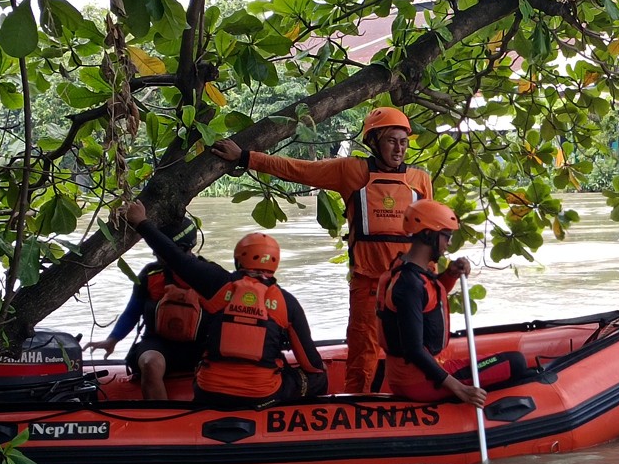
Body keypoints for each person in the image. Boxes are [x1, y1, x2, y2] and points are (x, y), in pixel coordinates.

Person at [210, 106, 432, 393]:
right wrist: (245, 157)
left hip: (410, 282)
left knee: (419, 343)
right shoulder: (351, 171)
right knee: (363, 350)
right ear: (374, 142)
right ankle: (357, 403)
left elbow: (430, 232)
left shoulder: (419, 179)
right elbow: (300, 170)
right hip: (368, 284)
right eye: (391, 141)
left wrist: (435, 277)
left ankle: (417, 396)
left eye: (403, 142)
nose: (399, 149)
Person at [122, 201, 328, 407]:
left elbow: (175, 257)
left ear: (238, 259)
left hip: (209, 392)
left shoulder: (217, 283)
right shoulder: (287, 303)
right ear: (275, 264)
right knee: (318, 378)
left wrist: (141, 222)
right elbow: (311, 364)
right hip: (263, 394)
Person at [377, 200, 528, 407]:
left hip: (407, 375)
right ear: (429, 234)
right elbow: (414, 350)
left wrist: (450, 274)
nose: (448, 243)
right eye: (446, 236)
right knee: (516, 362)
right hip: (419, 380)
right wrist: (460, 388)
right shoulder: (410, 285)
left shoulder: (405, 269)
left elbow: (428, 301)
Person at [85, 216, 207, 399]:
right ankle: (160, 420)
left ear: (180, 248)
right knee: (150, 363)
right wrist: (113, 339)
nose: (155, 254)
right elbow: (132, 311)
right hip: (159, 343)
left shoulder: (210, 275)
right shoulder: (150, 275)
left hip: (199, 346)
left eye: (159, 249)